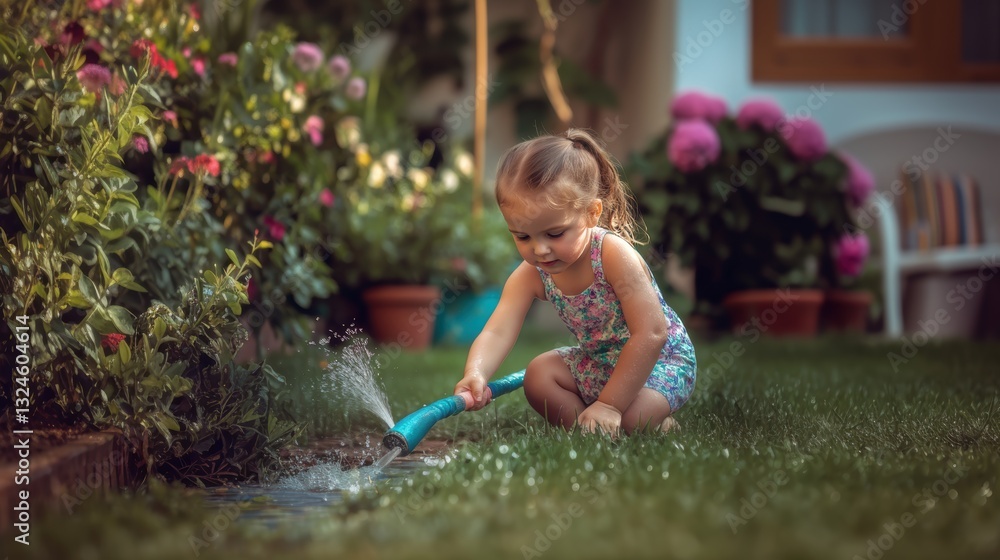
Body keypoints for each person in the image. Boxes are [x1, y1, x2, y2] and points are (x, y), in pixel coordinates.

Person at [454, 129, 697, 436]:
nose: (540, 249)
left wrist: (610, 404)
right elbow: (497, 330)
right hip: (600, 363)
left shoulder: (611, 255)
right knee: (538, 375)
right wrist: (475, 372)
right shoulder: (532, 273)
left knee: (633, 419)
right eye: (523, 236)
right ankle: (588, 430)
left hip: (658, 365)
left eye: (555, 234)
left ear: (592, 213)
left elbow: (652, 332)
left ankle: (631, 419)